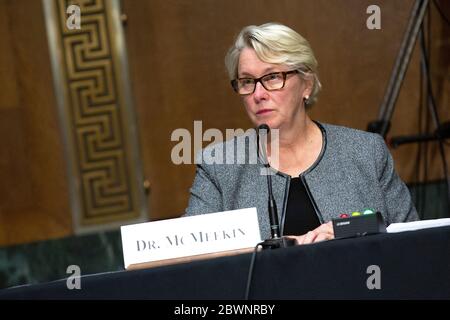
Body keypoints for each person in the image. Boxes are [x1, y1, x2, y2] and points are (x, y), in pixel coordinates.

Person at [185, 22, 418, 245]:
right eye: (247, 81)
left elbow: (412, 241)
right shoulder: (218, 166)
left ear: (306, 84)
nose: (258, 94)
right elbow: (192, 259)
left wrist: (346, 231)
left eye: (272, 77)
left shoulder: (366, 151)